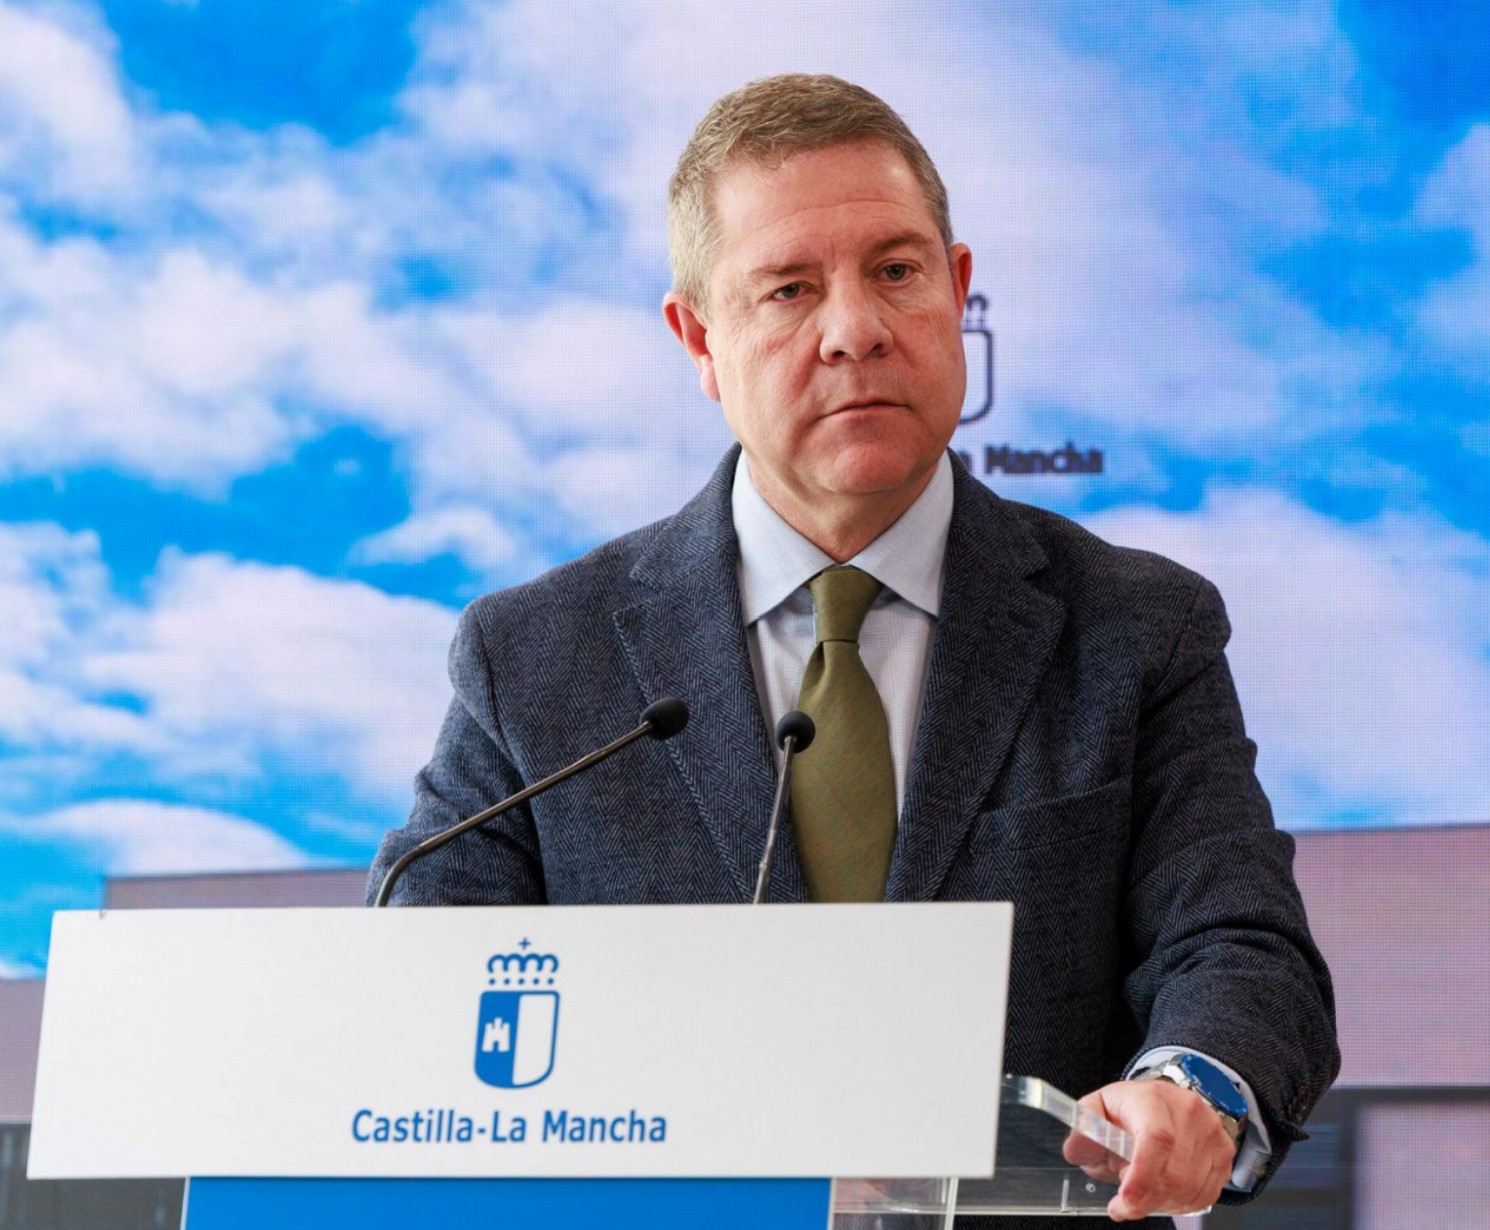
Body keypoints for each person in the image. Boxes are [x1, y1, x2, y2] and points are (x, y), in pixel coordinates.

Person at [368, 74, 1339, 1225]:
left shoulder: (1137, 626)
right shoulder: (533, 659)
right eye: (786, 289)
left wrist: (1189, 1085)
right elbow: (418, 1002)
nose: (855, 331)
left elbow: (1236, 942)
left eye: (894, 271)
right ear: (698, 340)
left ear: (956, 287)